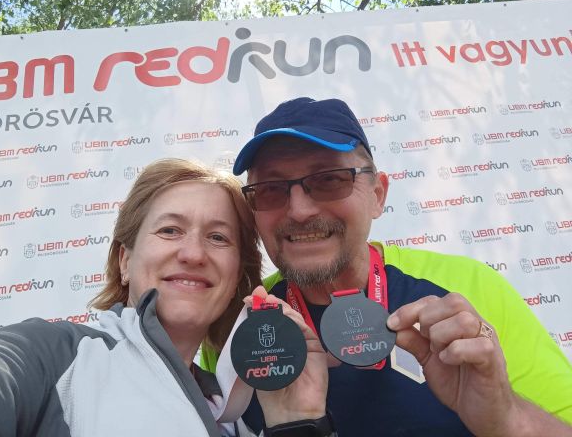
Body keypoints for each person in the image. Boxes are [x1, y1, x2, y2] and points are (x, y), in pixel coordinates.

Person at [225, 97, 572, 436]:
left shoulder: (469, 287)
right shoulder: (238, 324)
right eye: (270, 189)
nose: (300, 211)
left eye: (329, 180)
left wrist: (505, 419)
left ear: (378, 195)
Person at [0, 158, 330, 437]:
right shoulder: (52, 355)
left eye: (217, 237)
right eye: (170, 230)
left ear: (237, 277)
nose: (193, 253)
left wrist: (294, 422)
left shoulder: (236, 417)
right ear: (125, 261)